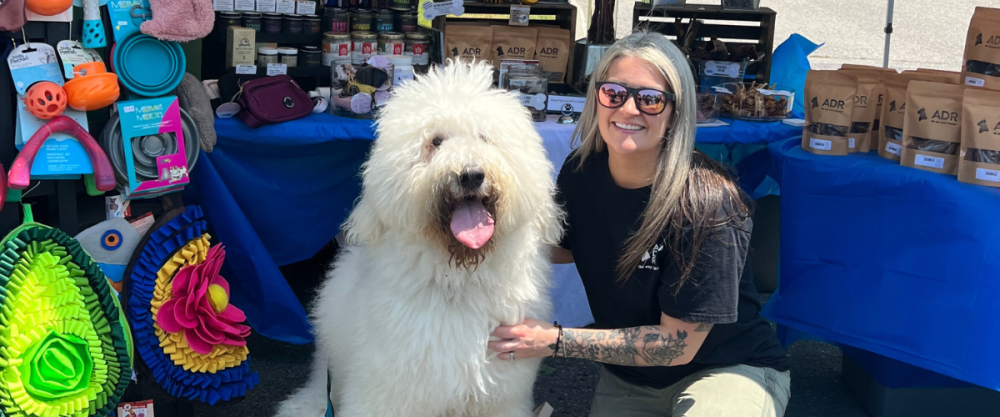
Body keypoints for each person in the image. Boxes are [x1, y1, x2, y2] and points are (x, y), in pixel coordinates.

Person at [488, 31, 791, 416]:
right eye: (614, 93)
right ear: (597, 98)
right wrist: (476, 230)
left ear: (676, 111)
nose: (628, 109)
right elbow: (558, 247)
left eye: (650, 99)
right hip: (632, 377)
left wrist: (553, 340)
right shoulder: (581, 171)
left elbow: (675, 344)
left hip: (726, 369)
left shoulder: (708, 204)